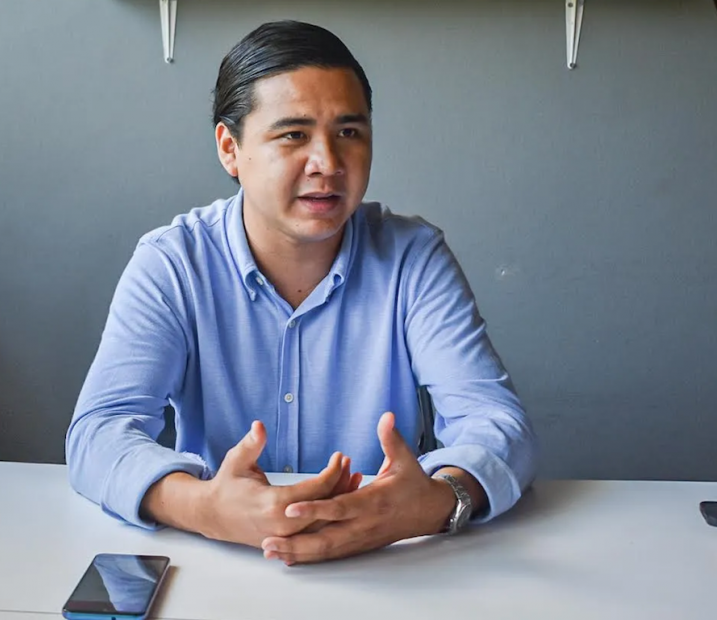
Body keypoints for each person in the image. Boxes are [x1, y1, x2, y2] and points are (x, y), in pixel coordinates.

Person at [66, 20, 537, 566]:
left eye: (349, 132)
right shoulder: (172, 263)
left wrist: (435, 501)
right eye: (293, 135)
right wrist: (203, 507)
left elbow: (497, 424)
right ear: (230, 149)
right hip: (220, 563)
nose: (328, 164)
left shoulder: (413, 257)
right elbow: (99, 432)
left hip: (391, 565)